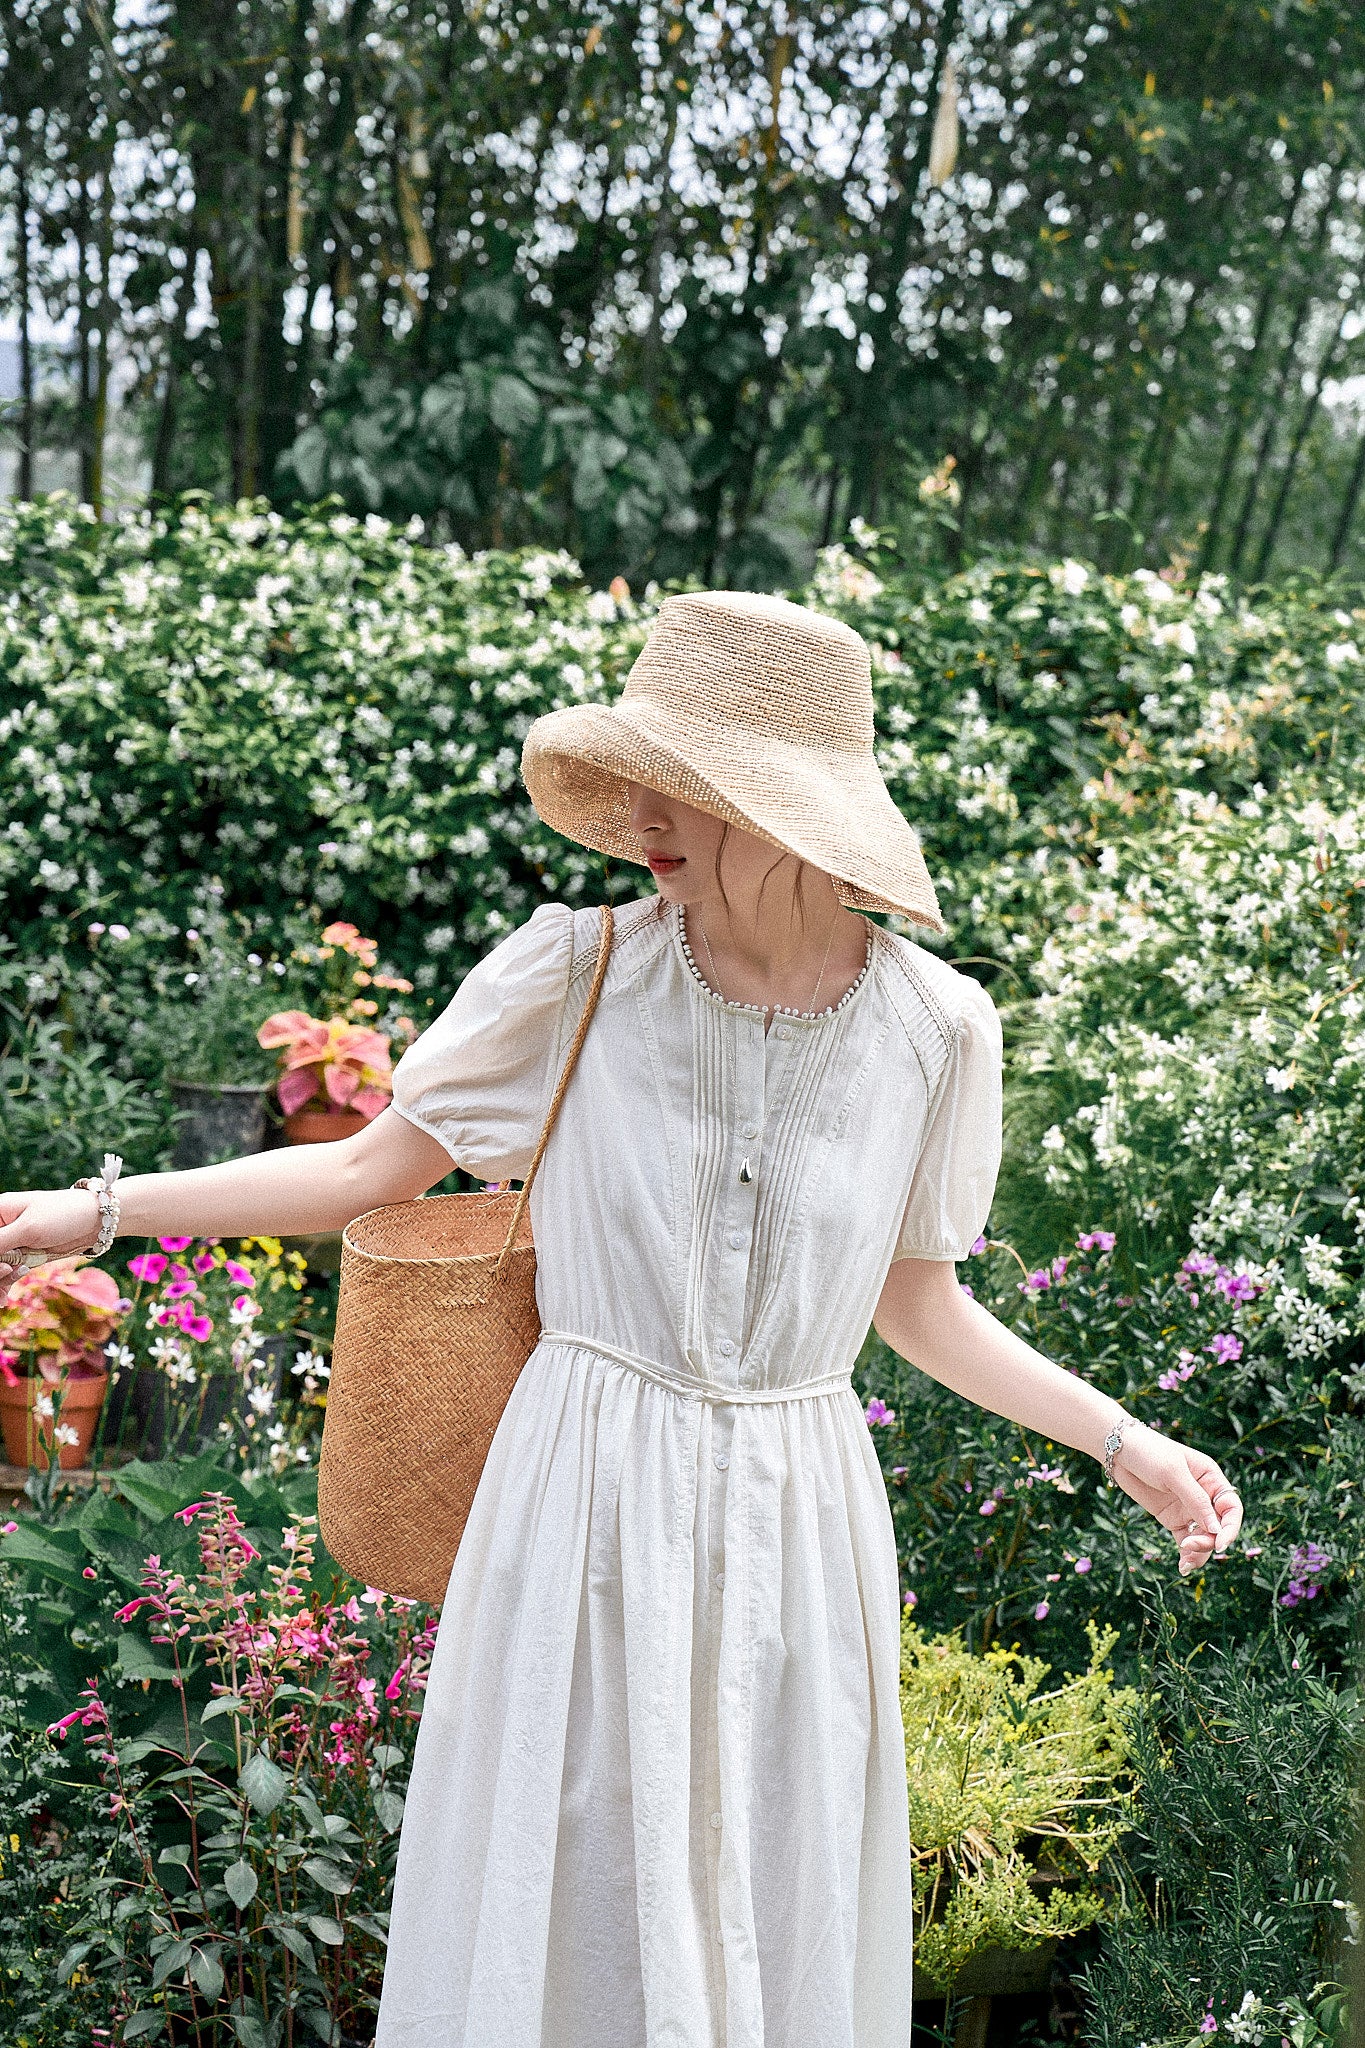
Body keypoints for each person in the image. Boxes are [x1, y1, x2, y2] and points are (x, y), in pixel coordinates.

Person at [0, 591, 1242, 2048]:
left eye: (688, 788)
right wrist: (91, 1212)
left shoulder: (936, 1031)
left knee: (769, 1880)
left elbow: (922, 1307)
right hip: (582, 1489)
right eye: (644, 776)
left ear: (785, 812)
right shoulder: (576, 972)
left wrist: (1124, 1442)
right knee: (563, 1873)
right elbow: (360, 1169)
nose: (646, 817)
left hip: (796, 1509)